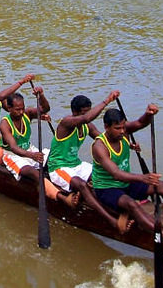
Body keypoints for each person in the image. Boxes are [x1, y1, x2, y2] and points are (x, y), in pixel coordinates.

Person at [45, 92, 123, 227]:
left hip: (77, 165)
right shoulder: (66, 123)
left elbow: (105, 140)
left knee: (104, 174)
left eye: (89, 111)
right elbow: (86, 118)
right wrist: (107, 101)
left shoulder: (88, 126)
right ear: (74, 112)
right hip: (58, 167)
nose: (88, 116)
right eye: (83, 113)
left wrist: (127, 143)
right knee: (81, 184)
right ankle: (110, 218)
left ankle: (121, 202)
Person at [89, 105, 162, 234]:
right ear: (106, 127)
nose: (122, 131)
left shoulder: (124, 132)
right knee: (131, 204)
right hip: (106, 188)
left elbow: (140, 123)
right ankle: (161, 235)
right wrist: (143, 178)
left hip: (126, 184)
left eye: (123, 127)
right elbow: (116, 174)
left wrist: (148, 114)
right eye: (117, 128)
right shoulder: (99, 146)